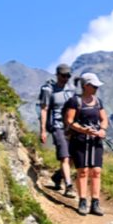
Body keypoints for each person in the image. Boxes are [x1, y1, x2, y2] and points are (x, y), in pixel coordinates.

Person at [64, 72, 109, 216]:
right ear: (86, 86)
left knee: (96, 171)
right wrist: (83, 130)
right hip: (80, 140)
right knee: (82, 171)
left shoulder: (98, 102)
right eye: (94, 85)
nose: (96, 88)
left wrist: (102, 130)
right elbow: (69, 121)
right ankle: (82, 201)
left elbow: (104, 119)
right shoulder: (74, 101)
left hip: (95, 141)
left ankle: (95, 203)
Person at [38, 64, 77, 197]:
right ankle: (69, 186)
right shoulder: (48, 90)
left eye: (68, 76)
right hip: (57, 126)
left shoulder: (71, 90)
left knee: (73, 157)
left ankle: (57, 176)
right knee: (65, 156)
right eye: (63, 75)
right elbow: (44, 110)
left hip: (71, 127)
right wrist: (43, 130)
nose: (66, 78)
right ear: (57, 75)